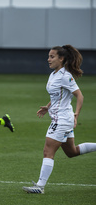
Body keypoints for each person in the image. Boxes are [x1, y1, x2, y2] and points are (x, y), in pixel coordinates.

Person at [22, 45, 96, 194]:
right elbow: (57, 96)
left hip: (62, 120)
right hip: (59, 118)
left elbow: (79, 96)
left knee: (48, 151)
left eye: (52, 56)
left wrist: (76, 115)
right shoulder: (54, 74)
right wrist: (48, 107)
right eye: (49, 56)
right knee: (72, 152)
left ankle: (40, 186)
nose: (48, 59)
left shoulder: (65, 76)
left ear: (61, 59)